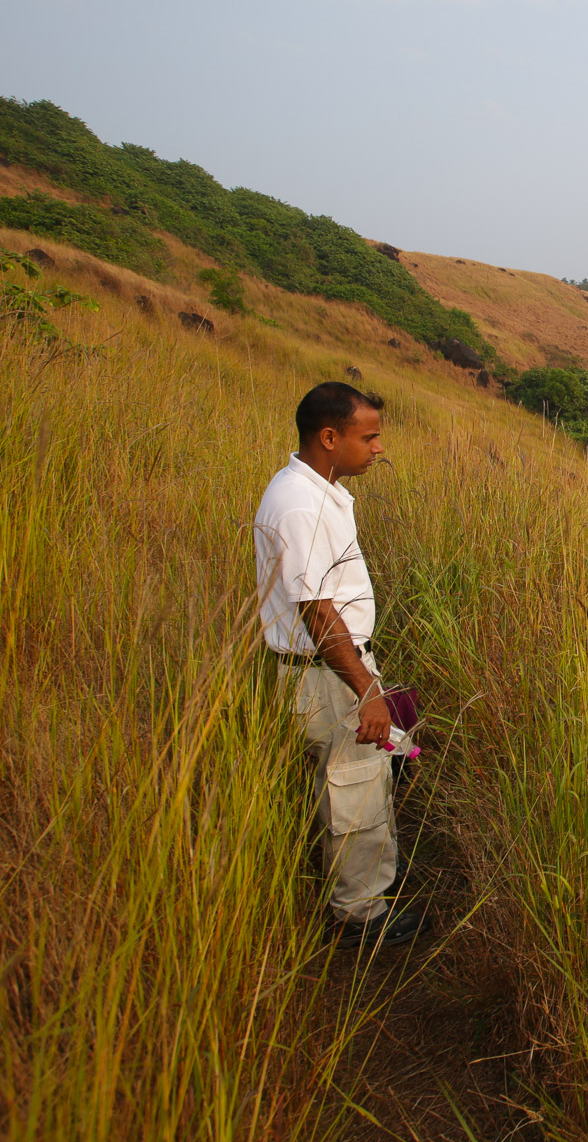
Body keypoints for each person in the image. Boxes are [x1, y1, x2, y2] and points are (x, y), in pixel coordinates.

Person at [253, 381, 425, 948]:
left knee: (354, 781)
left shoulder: (314, 490)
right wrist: (366, 690)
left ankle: (361, 889)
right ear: (329, 437)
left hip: (328, 670)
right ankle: (361, 915)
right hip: (325, 675)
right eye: (368, 437)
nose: (378, 448)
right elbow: (317, 613)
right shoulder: (301, 504)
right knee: (353, 787)